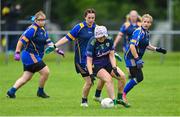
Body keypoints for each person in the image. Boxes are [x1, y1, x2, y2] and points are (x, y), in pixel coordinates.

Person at [45, 8, 97, 107]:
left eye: (93, 18)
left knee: (106, 76)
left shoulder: (97, 28)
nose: (91, 20)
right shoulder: (79, 27)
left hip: (94, 60)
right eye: (89, 17)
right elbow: (66, 38)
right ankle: (84, 101)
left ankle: (97, 95)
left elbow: (105, 41)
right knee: (89, 82)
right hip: (81, 60)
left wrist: (113, 52)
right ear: (85, 17)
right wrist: (54, 46)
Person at [7, 11, 64, 98]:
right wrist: (17, 52)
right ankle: (40, 92)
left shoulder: (43, 30)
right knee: (46, 72)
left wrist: (57, 49)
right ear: (36, 20)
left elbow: (48, 42)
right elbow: (21, 41)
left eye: (43, 20)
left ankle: (11, 91)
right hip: (30, 55)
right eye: (40, 20)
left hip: (34, 56)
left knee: (26, 77)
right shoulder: (32, 29)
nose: (42, 21)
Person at [122, 14, 167, 105]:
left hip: (135, 58)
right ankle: (122, 95)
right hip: (130, 57)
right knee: (138, 77)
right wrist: (137, 59)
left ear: (151, 24)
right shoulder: (139, 32)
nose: (146, 23)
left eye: (148, 22)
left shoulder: (146, 32)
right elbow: (132, 46)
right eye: (145, 21)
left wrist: (157, 49)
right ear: (141, 22)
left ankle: (122, 93)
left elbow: (147, 46)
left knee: (139, 77)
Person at [86, 25, 127, 105]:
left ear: (105, 35)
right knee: (108, 79)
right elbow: (89, 60)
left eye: (101, 37)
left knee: (122, 76)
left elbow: (111, 55)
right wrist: (90, 74)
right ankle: (113, 102)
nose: (99, 39)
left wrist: (114, 67)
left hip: (107, 63)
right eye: (98, 37)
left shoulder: (109, 40)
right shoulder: (92, 42)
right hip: (96, 65)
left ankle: (119, 98)